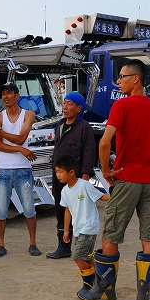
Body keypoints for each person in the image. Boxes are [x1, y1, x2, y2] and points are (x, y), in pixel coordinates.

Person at [77, 59, 150, 300]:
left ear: (135, 79)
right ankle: (144, 295)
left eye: (122, 77)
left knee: (112, 234)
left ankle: (105, 290)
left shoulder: (121, 105)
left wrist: (106, 171)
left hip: (127, 179)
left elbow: (105, 142)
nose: (118, 82)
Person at [0, 82, 41, 257]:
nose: (5, 96)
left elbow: (20, 138)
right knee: (1, 210)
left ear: (17, 96)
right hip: (4, 169)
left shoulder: (28, 114)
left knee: (29, 208)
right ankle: (0, 245)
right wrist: (21, 150)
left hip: (23, 169)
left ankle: (32, 243)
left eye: (9, 93)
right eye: (3, 93)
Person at [47, 91, 96, 259]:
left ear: (79, 108)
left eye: (70, 104)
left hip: (75, 179)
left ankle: (82, 247)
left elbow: (89, 153)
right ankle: (63, 247)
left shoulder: (84, 127)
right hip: (59, 177)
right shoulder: (60, 125)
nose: (65, 107)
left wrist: (85, 178)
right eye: (64, 103)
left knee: (79, 212)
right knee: (61, 209)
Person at [54, 155, 110, 292]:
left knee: (78, 256)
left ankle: (89, 284)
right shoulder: (65, 191)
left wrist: (116, 192)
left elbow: (102, 197)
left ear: (71, 172)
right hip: (78, 229)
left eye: (60, 172)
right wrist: (66, 230)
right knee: (88, 257)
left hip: (89, 227)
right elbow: (67, 210)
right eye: (56, 172)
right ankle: (101, 281)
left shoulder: (84, 185)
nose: (58, 175)